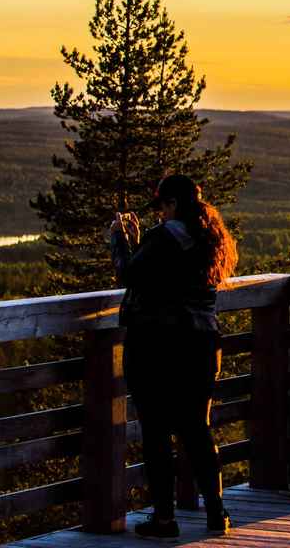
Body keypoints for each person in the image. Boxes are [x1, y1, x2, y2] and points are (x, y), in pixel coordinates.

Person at [110, 173, 238, 537]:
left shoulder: (167, 236)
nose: (160, 214)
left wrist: (120, 240)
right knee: (198, 429)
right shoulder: (209, 238)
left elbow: (131, 275)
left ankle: (164, 519)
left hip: (159, 347)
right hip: (202, 344)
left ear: (174, 204)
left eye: (163, 206)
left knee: (156, 432)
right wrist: (139, 244)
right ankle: (217, 511)